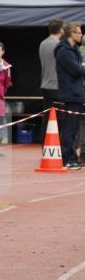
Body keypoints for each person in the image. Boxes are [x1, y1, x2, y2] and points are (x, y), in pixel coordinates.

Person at [54, 22, 85, 170]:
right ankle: (67, 158)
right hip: (70, 93)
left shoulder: (74, 50)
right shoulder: (63, 51)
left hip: (77, 92)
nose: (81, 34)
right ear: (71, 34)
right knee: (69, 127)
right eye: (78, 32)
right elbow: (76, 70)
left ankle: (72, 157)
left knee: (74, 128)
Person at [38, 19, 64, 142]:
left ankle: (46, 145)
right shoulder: (59, 45)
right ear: (61, 29)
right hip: (55, 86)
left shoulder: (43, 43)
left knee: (47, 117)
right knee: (59, 119)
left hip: (45, 85)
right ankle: (56, 147)